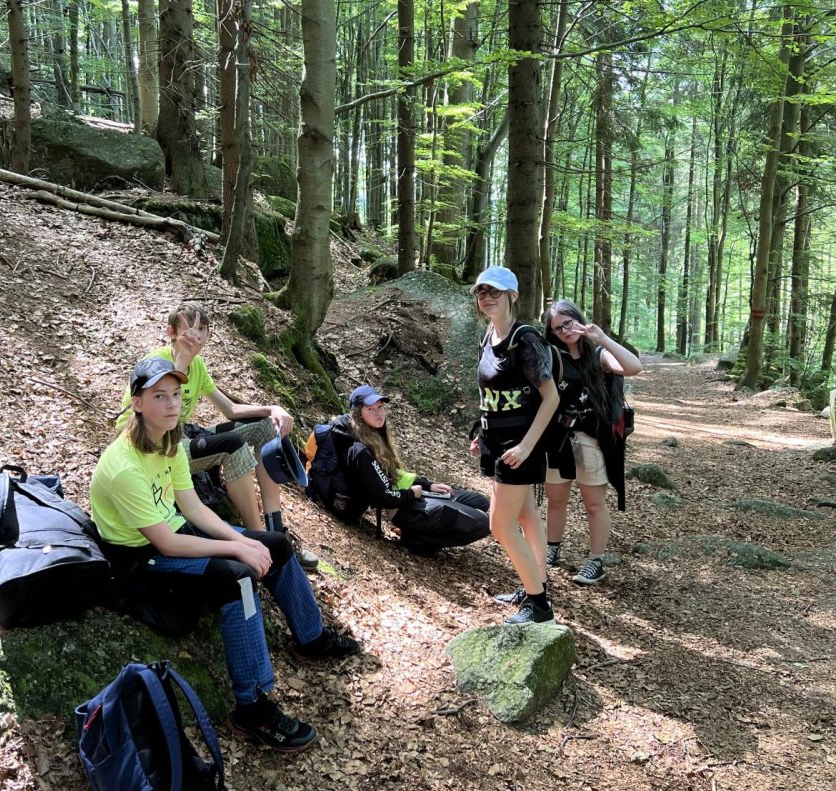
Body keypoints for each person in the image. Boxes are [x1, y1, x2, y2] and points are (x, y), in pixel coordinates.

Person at [91, 357, 359, 753]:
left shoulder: (168, 442)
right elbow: (166, 543)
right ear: (137, 404)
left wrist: (245, 539)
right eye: (159, 396)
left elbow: (192, 508)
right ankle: (252, 708)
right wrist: (236, 547)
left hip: (176, 531)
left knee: (276, 544)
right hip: (139, 558)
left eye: (176, 395)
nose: (171, 404)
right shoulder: (123, 467)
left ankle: (311, 638)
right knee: (239, 579)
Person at [122, 302, 319, 570]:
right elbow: (142, 422)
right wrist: (182, 359)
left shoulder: (198, 366)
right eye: (189, 329)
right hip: (155, 447)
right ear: (171, 332)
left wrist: (272, 408)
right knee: (232, 445)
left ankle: (275, 528)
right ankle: (260, 540)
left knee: (265, 426)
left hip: (182, 438)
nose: (197, 335)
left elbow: (231, 410)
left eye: (202, 329)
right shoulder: (155, 364)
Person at [470, 266, 561, 624]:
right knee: (525, 516)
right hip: (496, 442)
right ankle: (534, 583)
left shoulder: (525, 340)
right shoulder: (487, 337)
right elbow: (492, 396)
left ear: (513, 296)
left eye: (494, 291)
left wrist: (526, 447)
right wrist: (481, 433)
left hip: (520, 447)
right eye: (481, 292)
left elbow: (551, 398)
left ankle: (539, 606)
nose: (487, 297)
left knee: (499, 525)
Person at [313, 384, 490, 551]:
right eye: (370, 409)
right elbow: (384, 498)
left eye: (380, 407)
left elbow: (391, 472)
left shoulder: (371, 434)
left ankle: (425, 528)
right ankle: (417, 540)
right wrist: (413, 493)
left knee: (480, 502)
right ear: (358, 414)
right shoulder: (360, 450)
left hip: (401, 494)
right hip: (400, 506)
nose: (378, 413)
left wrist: (428, 485)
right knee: (483, 524)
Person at [541, 299, 641, 585]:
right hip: (557, 440)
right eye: (558, 328)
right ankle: (551, 549)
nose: (565, 331)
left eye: (568, 323)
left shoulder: (598, 355)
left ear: (579, 320)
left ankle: (595, 561)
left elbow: (633, 367)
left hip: (591, 440)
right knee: (555, 499)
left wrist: (602, 338)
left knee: (594, 504)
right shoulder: (551, 357)